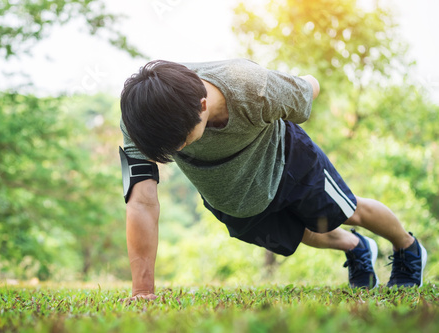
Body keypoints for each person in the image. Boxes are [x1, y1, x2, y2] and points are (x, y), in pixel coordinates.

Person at [118, 59, 427, 300]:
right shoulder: (141, 120)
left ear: (202, 107)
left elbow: (310, 86)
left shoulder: (251, 86)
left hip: (288, 160)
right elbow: (142, 201)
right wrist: (143, 291)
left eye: (181, 142)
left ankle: (407, 248)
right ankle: (357, 247)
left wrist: (296, 89)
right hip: (232, 195)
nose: (177, 151)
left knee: (349, 211)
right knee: (302, 233)